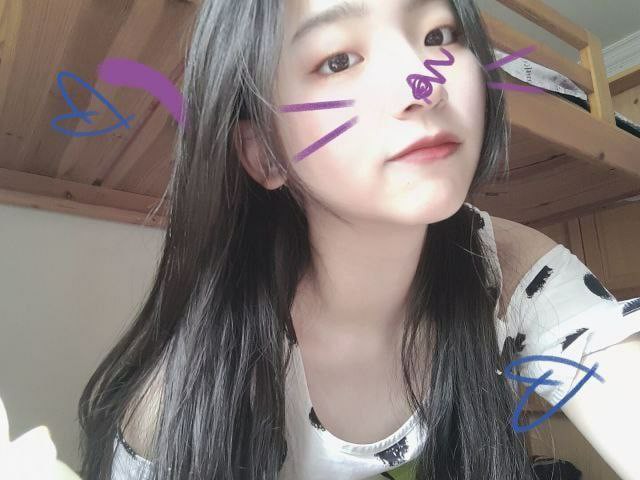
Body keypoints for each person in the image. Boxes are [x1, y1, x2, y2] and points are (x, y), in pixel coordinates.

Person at [77, 0, 640, 479]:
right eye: (338, 60)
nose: (424, 83)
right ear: (265, 153)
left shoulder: (513, 271)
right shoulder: (180, 401)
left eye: (438, 35)